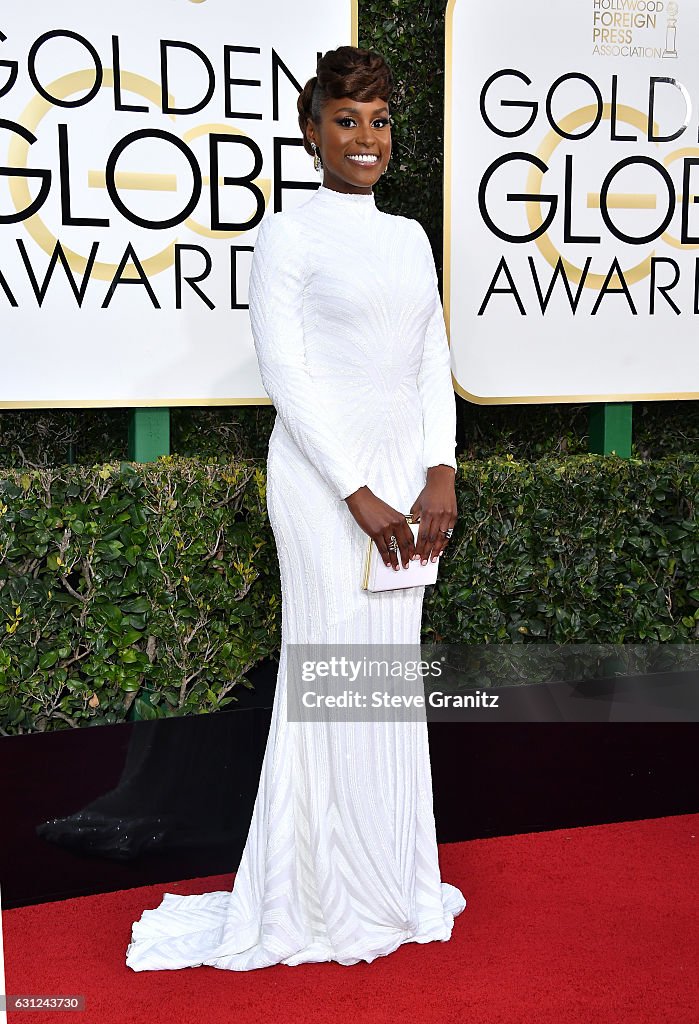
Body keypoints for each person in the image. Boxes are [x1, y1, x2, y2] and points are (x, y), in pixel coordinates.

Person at [125, 44, 466, 973]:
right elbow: (288, 374)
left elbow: (430, 357)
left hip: (406, 477)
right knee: (333, 676)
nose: (366, 139)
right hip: (324, 488)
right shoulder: (289, 233)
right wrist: (354, 490)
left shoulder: (407, 238)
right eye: (346, 121)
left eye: (381, 120)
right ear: (313, 132)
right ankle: (316, 892)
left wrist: (438, 471)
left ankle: (388, 880)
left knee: (384, 683)